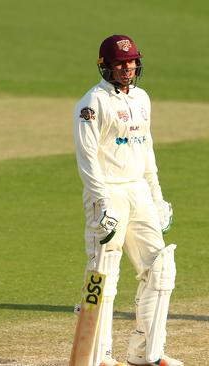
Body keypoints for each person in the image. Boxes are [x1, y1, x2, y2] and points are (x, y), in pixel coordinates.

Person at [72, 35, 182, 366]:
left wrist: (158, 198)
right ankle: (99, 356)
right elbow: (87, 159)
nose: (126, 68)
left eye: (131, 61)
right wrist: (101, 202)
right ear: (105, 66)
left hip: (138, 192)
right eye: (120, 63)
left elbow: (146, 152)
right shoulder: (92, 103)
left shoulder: (143, 99)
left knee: (160, 269)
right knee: (103, 275)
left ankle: (147, 353)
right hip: (108, 192)